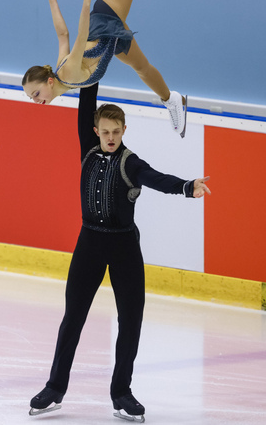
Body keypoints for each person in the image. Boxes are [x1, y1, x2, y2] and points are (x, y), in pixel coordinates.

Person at [28, 83, 210, 421]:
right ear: (96, 131)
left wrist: (186, 187)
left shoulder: (131, 163)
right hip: (89, 244)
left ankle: (121, 392)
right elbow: (87, 102)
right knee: (73, 318)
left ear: (124, 130)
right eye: (105, 131)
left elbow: (155, 178)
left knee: (130, 321)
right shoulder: (88, 149)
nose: (110, 137)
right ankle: (55, 388)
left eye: (116, 131)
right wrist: (91, 71)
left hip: (124, 247)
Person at [23, 0, 188, 138]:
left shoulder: (67, 73)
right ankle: (171, 99)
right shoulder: (61, 76)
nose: (35, 100)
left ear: (49, 82)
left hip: (105, 19)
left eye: (36, 93)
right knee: (142, 67)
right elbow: (62, 35)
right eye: (31, 97)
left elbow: (80, 35)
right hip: (112, 42)